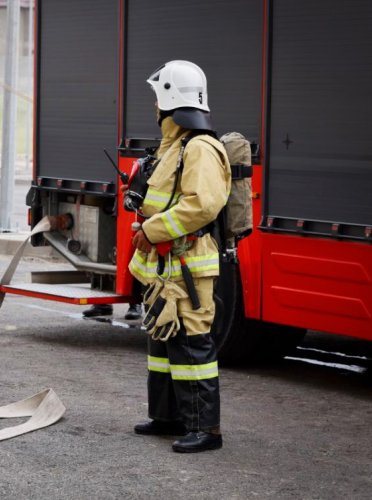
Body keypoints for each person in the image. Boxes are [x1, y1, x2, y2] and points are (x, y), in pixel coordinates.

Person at [127, 60, 231, 453]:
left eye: (158, 99)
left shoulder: (201, 147)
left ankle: (206, 429)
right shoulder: (174, 145)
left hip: (188, 264)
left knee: (191, 343)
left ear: (170, 98)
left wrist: (152, 231)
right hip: (165, 264)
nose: (154, 107)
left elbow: (201, 205)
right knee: (163, 338)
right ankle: (168, 416)